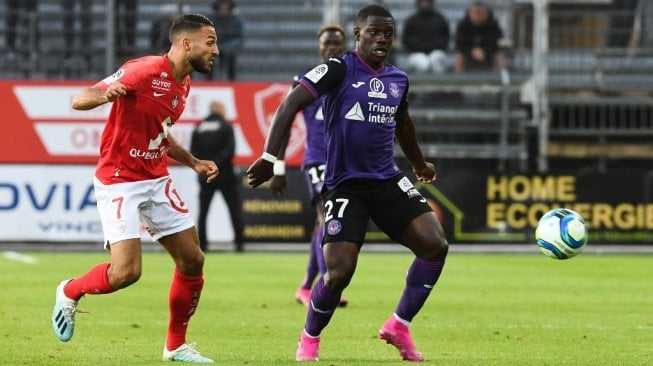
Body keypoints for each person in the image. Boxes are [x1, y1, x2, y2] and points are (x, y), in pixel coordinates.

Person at [247, 4, 449, 362]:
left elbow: (403, 124)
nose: (381, 39)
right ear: (358, 36)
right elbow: (289, 103)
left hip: (386, 180)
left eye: (387, 33)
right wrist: (270, 158)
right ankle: (309, 337)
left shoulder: (398, 79)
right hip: (344, 185)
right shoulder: (339, 68)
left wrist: (418, 163)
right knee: (339, 273)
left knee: (435, 245)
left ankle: (399, 325)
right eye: (374, 32)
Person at [51, 14, 219, 363]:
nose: (215, 50)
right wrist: (102, 97)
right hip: (119, 181)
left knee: (192, 259)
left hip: (155, 179)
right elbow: (80, 98)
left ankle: (175, 347)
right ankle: (69, 290)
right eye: (211, 41)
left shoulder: (184, 84)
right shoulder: (145, 70)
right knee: (126, 273)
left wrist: (194, 162)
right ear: (186, 44)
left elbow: (160, 133)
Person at [267, 24, 348, 307]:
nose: (332, 48)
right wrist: (278, 168)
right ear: (319, 47)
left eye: (337, 43)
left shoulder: (351, 77)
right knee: (327, 220)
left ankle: (304, 287)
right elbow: (285, 121)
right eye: (328, 44)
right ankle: (327, 286)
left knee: (321, 226)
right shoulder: (306, 80)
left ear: (345, 44)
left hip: (345, 163)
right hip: (318, 160)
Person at [190, 100, 245, 253]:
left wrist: (207, 168)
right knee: (234, 209)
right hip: (225, 175)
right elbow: (230, 150)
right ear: (219, 109)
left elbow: (193, 152)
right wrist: (217, 166)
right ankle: (239, 243)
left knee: (203, 211)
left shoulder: (199, 128)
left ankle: (203, 244)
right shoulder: (226, 126)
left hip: (205, 176)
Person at [401, 0, 450, 73]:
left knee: (436, 58)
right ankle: (420, 84)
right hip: (416, 53)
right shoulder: (411, 20)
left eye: (427, 1)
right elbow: (406, 40)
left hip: (436, 52)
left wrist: (432, 48)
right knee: (423, 63)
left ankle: (439, 83)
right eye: (422, 2)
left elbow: (446, 39)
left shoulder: (440, 19)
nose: (424, 4)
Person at [453, 1, 503, 73]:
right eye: (475, 13)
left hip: (488, 52)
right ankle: (458, 79)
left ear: (486, 13)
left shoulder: (492, 25)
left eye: (480, 13)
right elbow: (460, 44)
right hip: (468, 52)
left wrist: (485, 51)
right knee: (459, 57)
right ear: (469, 13)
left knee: (497, 57)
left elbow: (496, 42)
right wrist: (471, 51)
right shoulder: (463, 25)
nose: (477, 16)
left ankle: (498, 79)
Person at [207, 0, 245, 81]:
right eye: (221, 5)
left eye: (226, 5)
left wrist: (226, 47)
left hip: (228, 48)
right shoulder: (210, 20)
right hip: (213, 47)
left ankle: (231, 81)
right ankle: (209, 81)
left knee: (230, 57)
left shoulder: (236, 21)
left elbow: (240, 38)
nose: (223, 8)